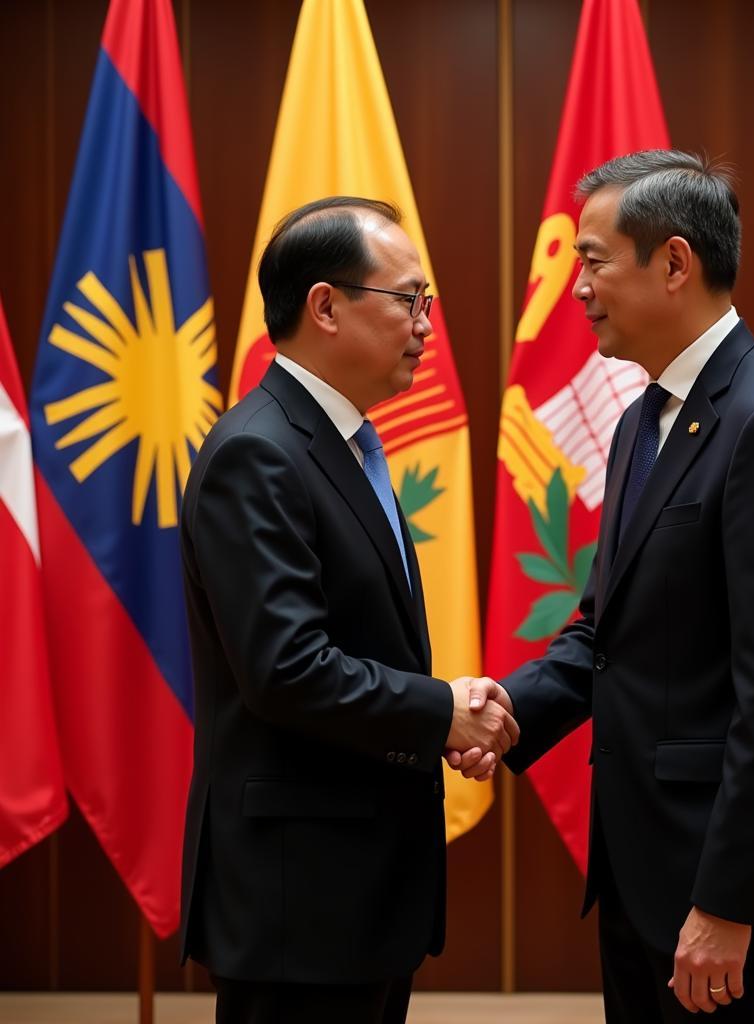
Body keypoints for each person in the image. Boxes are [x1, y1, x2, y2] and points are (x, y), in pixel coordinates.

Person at [453, 151, 754, 1022]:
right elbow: (609, 625)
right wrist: (505, 708)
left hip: (721, 891)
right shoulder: (643, 416)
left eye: (592, 260)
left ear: (674, 262)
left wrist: (729, 901)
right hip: (640, 867)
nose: (578, 288)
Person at [178, 196, 518, 1024]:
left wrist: (440, 717)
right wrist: (441, 710)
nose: (426, 327)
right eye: (409, 301)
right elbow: (287, 671)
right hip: (298, 897)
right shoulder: (259, 453)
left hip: (352, 890)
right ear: (326, 306)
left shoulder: (339, 441)